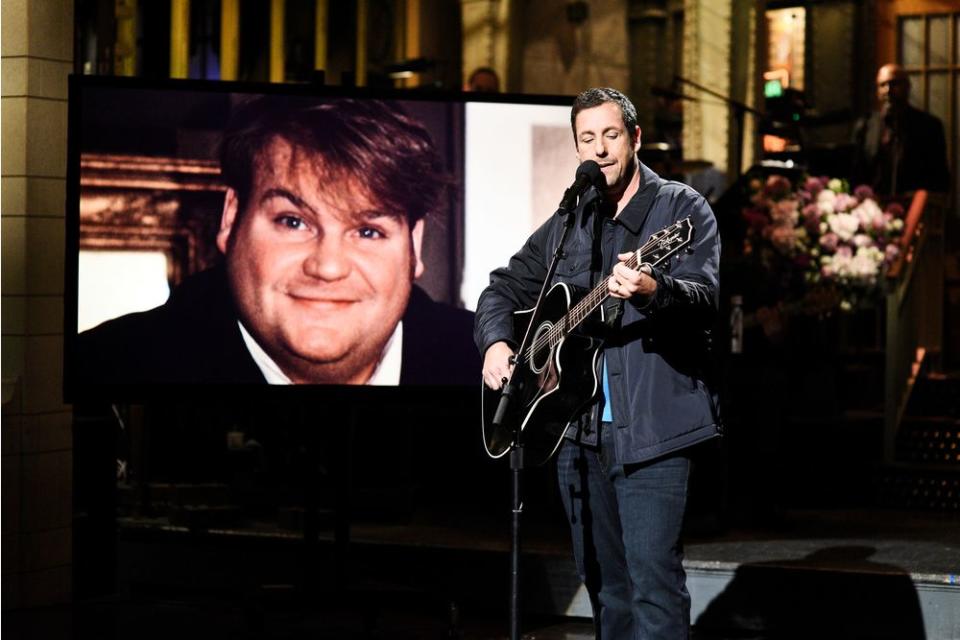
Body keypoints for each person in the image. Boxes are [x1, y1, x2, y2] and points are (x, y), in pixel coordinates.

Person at [475, 87, 721, 639]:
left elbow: (705, 299)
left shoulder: (682, 209)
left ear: (635, 138)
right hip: (577, 435)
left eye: (611, 135)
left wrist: (653, 288)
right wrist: (495, 343)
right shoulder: (573, 220)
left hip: (654, 434)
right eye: (589, 139)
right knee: (604, 588)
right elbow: (501, 288)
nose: (601, 149)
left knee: (653, 587)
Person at [78, 96, 478, 386]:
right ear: (232, 218)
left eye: (368, 231)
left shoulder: (500, 373)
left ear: (414, 244)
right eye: (293, 222)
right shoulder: (103, 367)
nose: (328, 266)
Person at [852, 63, 949, 196]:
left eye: (894, 84)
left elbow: (939, 177)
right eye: (882, 85)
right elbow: (857, 172)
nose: (888, 90)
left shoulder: (929, 126)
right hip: (873, 207)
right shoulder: (866, 125)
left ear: (908, 86)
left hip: (913, 206)